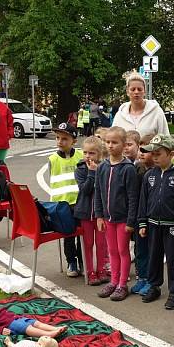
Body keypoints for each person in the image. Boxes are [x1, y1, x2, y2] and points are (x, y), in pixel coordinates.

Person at [138, 135, 174, 309]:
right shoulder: (149, 175)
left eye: (158, 153)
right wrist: (142, 222)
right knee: (154, 256)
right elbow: (143, 201)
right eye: (152, 153)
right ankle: (154, 286)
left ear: (171, 154)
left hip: (172, 225)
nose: (154, 156)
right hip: (153, 223)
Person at [94, 126, 139, 301]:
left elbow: (133, 198)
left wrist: (130, 221)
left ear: (123, 144)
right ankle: (113, 281)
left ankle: (122, 284)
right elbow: (98, 193)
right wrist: (99, 215)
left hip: (123, 219)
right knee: (111, 250)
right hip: (107, 218)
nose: (111, 145)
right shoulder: (102, 167)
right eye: (108, 142)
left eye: (115, 142)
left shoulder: (128, 168)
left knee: (122, 250)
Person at [48, 123, 84, 276]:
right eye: (57, 138)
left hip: (80, 202)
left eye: (64, 139)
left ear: (73, 141)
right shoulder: (52, 159)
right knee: (68, 235)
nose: (60, 142)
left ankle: (83, 261)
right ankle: (71, 261)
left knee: (82, 235)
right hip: (61, 205)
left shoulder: (81, 156)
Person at [74, 136, 109, 286]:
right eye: (85, 152)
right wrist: (92, 173)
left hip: (100, 214)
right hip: (85, 213)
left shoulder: (106, 168)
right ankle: (89, 271)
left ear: (100, 154)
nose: (88, 156)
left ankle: (101, 269)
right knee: (88, 243)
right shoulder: (80, 169)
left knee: (101, 243)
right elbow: (85, 190)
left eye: (92, 153)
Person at [130, 133, 155, 296]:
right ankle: (141, 277)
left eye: (147, 149)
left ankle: (152, 280)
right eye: (141, 148)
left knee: (153, 250)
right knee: (140, 249)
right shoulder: (137, 168)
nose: (142, 152)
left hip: (154, 217)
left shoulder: (159, 171)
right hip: (140, 216)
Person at [112, 72, 169, 138]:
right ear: (127, 92)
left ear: (144, 91)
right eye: (133, 89)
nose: (136, 92)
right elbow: (113, 139)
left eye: (139, 89)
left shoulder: (156, 112)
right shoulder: (120, 115)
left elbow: (166, 140)